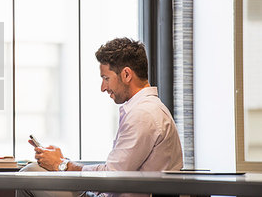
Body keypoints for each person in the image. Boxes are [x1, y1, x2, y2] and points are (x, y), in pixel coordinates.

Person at [16, 37, 183, 197]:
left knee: (28, 176)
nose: (103, 87)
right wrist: (62, 162)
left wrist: (62, 165)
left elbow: (111, 177)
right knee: (31, 174)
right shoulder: (147, 110)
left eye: (106, 78)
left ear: (126, 75)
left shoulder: (143, 114)